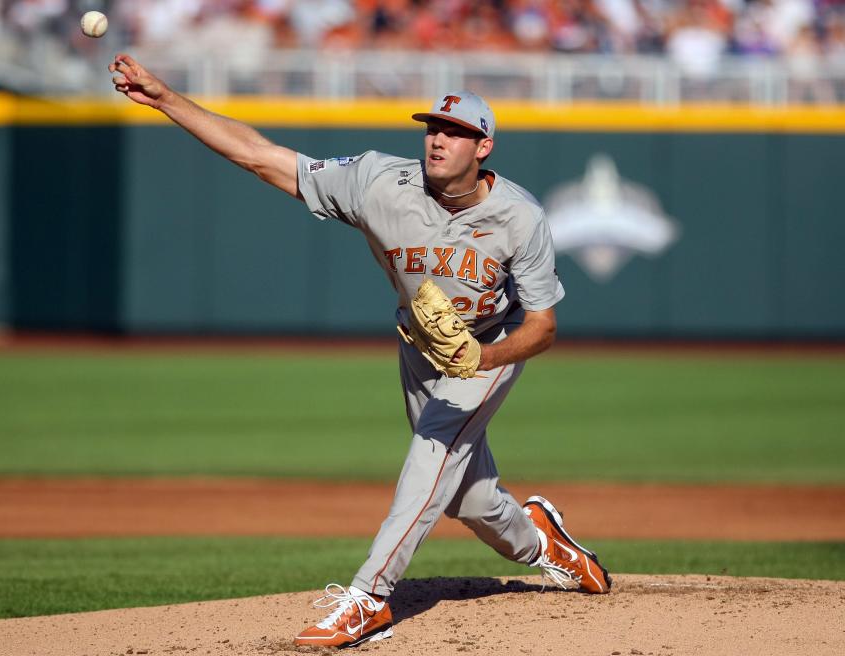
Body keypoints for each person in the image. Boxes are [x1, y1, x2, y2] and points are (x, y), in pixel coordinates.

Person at [108, 53, 612, 649]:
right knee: (470, 500)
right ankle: (539, 539)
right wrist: (167, 98)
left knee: (431, 452)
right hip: (421, 349)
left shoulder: (520, 217)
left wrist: (486, 361)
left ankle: (369, 598)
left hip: (487, 347)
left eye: (456, 132)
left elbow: (544, 326)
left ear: (484, 148)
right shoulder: (378, 182)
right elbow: (260, 156)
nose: (438, 139)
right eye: (433, 127)